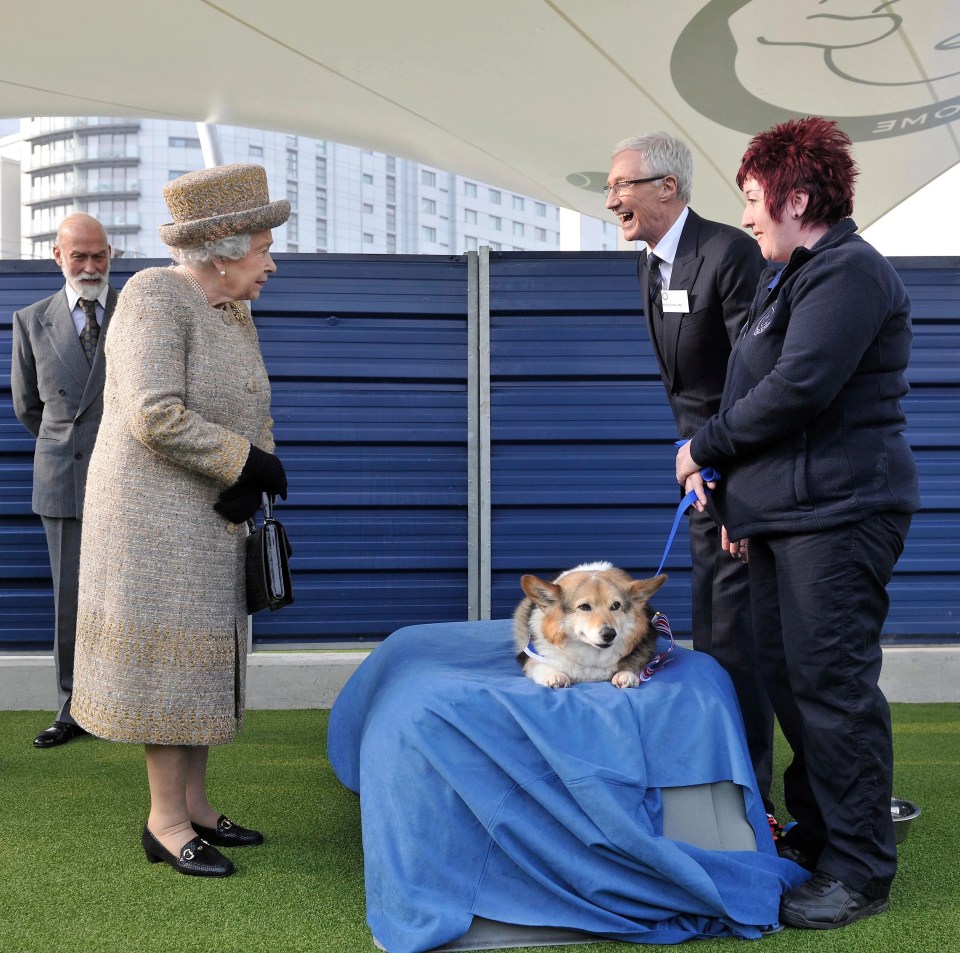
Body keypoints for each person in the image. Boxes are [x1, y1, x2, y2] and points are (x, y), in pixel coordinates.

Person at [677, 117, 920, 929]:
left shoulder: (849, 274)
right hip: (790, 516)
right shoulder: (793, 278)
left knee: (831, 686)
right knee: (789, 678)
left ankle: (861, 869)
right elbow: (764, 398)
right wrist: (742, 501)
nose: (746, 216)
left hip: (843, 515)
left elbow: (797, 390)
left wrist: (701, 445)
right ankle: (821, 837)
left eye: (752, 199)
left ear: (798, 197)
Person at [71, 164, 291, 878]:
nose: (271, 260)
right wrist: (245, 465)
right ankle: (163, 822)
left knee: (202, 658)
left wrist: (251, 473)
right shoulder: (153, 296)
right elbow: (152, 413)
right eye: (262, 245)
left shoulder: (232, 310)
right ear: (224, 249)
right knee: (171, 664)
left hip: (209, 510)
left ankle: (194, 804)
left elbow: (247, 405)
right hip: (155, 522)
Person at [605, 132, 775, 811]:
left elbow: (751, 374)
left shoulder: (728, 254)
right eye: (610, 187)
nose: (612, 198)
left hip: (738, 479)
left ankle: (751, 800)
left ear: (667, 189)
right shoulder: (650, 266)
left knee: (738, 646)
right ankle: (714, 783)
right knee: (711, 639)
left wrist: (721, 471)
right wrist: (691, 461)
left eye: (623, 185)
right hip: (701, 475)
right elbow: (687, 391)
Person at [10, 213, 118, 749]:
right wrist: (66, 446)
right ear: (58, 256)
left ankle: (125, 704)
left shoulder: (136, 314)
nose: (91, 266)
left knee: (131, 594)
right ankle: (72, 706)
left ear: (110, 255)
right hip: (64, 476)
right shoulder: (30, 320)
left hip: (129, 479)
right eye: (80, 256)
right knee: (69, 599)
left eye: (99, 255)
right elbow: (28, 408)